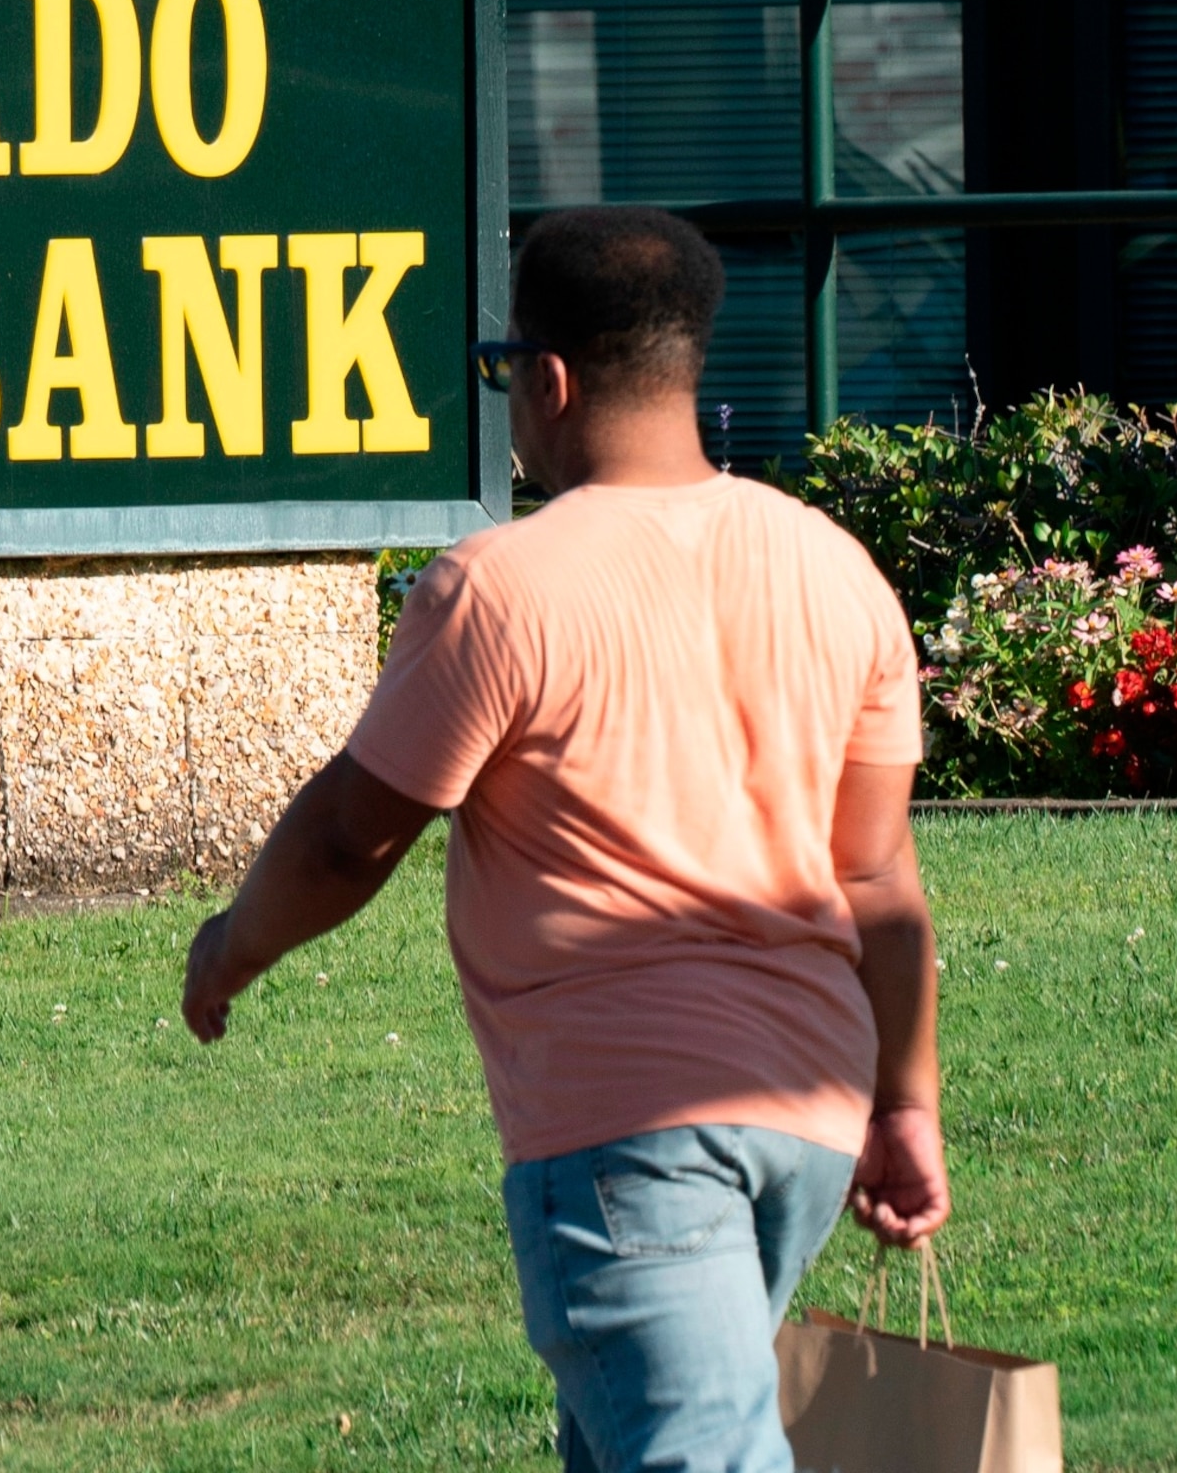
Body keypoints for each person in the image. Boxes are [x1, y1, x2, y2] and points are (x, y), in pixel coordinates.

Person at [180, 206, 948, 1473]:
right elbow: (878, 880)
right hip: (808, 1116)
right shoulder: (837, 570)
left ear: (544, 378)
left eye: (503, 372)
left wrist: (231, 946)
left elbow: (350, 838)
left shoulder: (499, 587)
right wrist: (906, 1101)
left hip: (633, 1130)